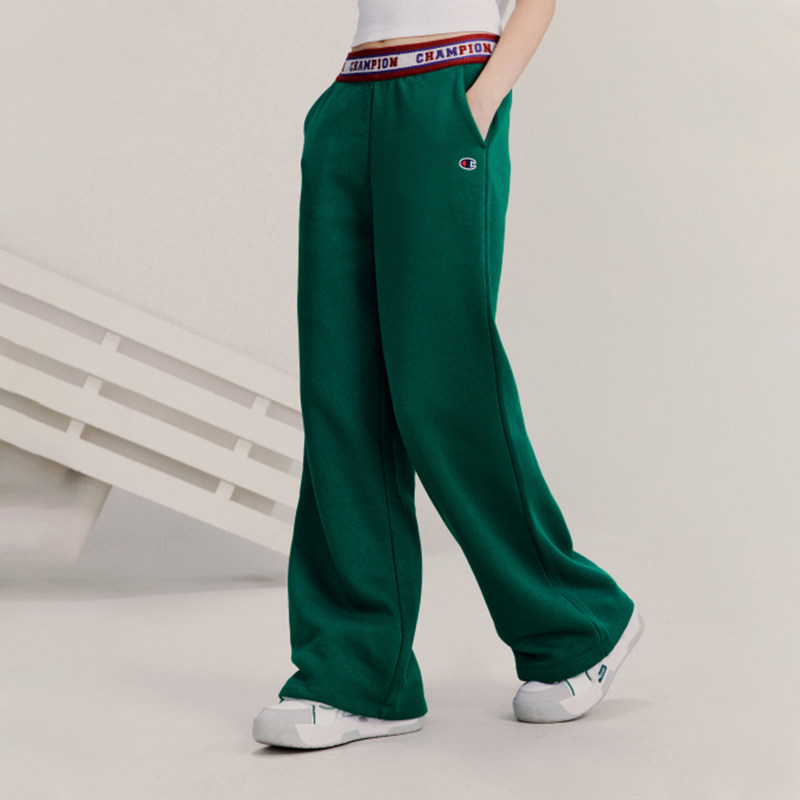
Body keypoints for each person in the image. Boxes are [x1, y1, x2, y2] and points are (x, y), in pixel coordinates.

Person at [253, 0, 644, 750]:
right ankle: (358, 676)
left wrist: (481, 99)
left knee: (443, 385)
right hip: (353, 97)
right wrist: (335, 114)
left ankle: (579, 625)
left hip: (450, 90)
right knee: (342, 396)